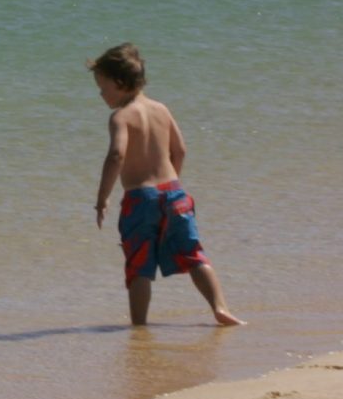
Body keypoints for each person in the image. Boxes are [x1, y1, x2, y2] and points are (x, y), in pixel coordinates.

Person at [89, 44, 243, 327]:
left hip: (140, 198)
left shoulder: (120, 117)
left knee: (139, 267)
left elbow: (116, 155)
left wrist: (102, 199)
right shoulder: (161, 109)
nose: (100, 94)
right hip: (175, 194)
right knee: (193, 254)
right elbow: (180, 150)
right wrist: (172, 188)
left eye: (102, 87)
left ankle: (139, 325)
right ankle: (220, 308)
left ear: (120, 83)